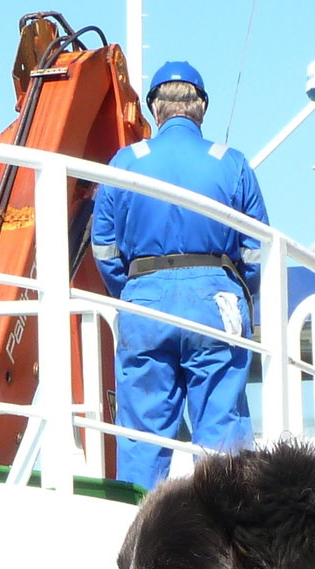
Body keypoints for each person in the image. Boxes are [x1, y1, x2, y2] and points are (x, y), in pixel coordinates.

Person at [89, 61, 269, 487]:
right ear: (201, 108)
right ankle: (228, 528)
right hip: (216, 297)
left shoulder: (125, 161)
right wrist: (240, 292)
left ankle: (138, 523)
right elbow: (256, 249)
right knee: (222, 427)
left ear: (155, 109)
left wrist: (132, 289)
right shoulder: (231, 162)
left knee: (141, 431)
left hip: (144, 300)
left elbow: (104, 248)